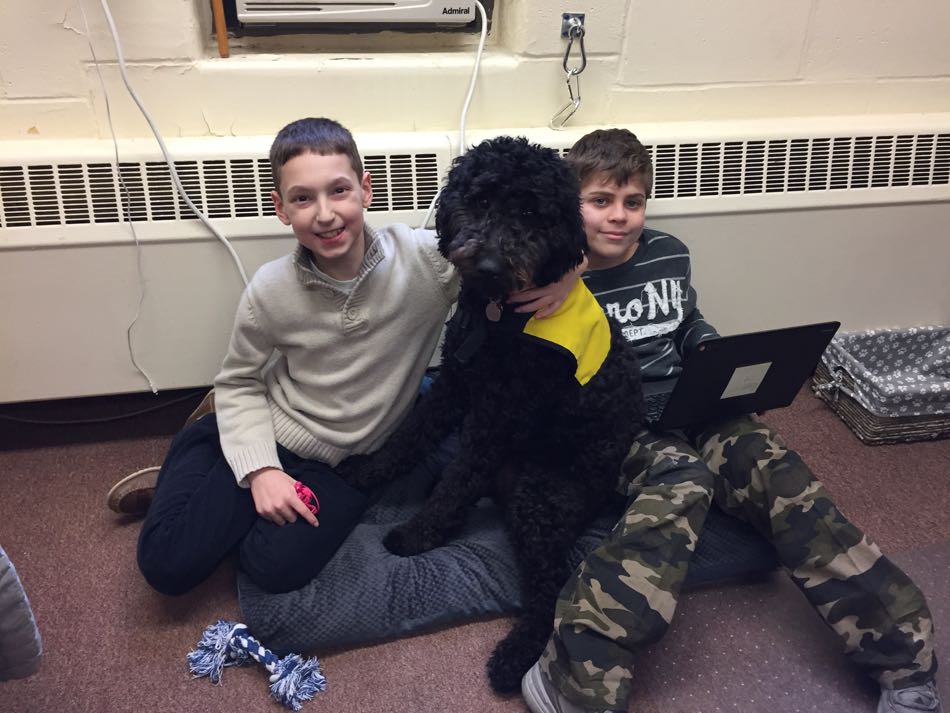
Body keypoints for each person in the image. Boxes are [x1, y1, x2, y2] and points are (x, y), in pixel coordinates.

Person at [520, 128, 941, 713]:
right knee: (685, 479)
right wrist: (563, 278)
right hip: (612, 425)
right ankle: (574, 670)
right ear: (572, 206)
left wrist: (718, 362)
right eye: (600, 201)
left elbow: (688, 321)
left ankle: (904, 658)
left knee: (778, 471)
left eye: (633, 201)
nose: (620, 217)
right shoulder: (546, 277)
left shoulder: (669, 252)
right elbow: (522, 366)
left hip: (694, 401)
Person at [107, 117, 576, 596]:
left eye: (339, 191)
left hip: (349, 462)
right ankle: (206, 452)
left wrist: (570, 273)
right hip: (278, 429)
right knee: (167, 564)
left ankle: (208, 493)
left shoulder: (429, 265)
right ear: (281, 209)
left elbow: (539, 238)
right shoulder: (269, 290)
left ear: (365, 190)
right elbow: (238, 381)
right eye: (303, 198)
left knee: (273, 568)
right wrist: (262, 471)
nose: (326, 214)